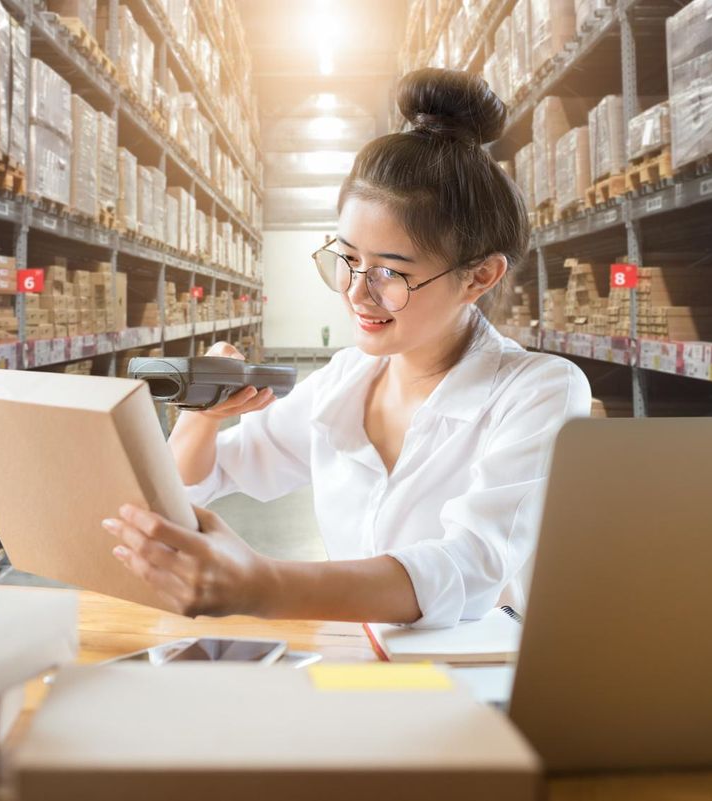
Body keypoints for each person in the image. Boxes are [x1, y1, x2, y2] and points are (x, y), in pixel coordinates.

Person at [102, 68, 591, 628]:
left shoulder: (540, 392)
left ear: (479, 277)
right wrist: (202, 415)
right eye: (348, 258)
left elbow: (469, 566)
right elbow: (201, 481)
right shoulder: (345, 380)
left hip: (484, 674)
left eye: (390, 272)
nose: (356, 291)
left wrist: (263, 584)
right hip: (357, 662)